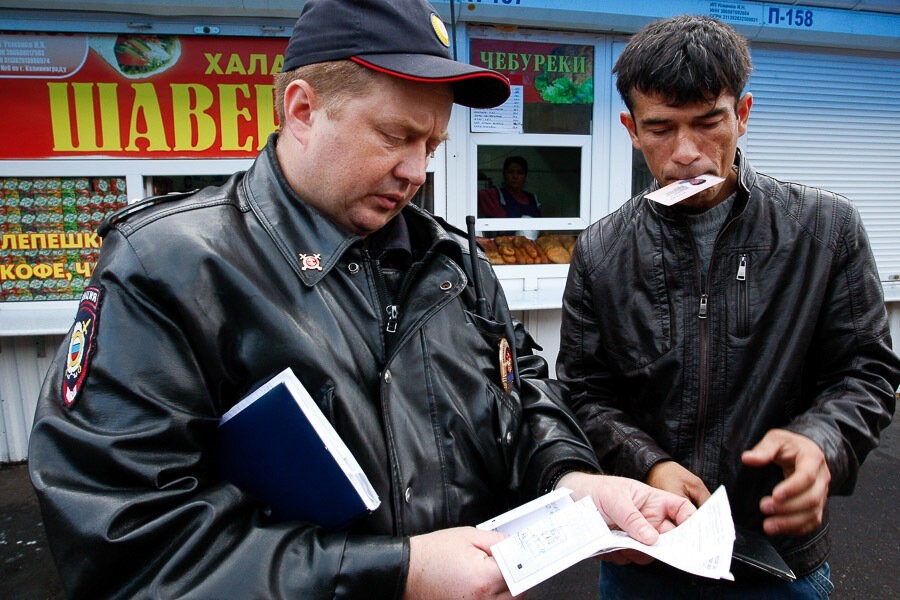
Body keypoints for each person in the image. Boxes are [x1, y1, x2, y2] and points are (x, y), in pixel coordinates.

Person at [28, 1, 696, 598]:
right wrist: (397, 574)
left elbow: (521, 396)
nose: (417, 171)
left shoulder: (455, 263)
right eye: (395, 136)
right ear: (301, 110)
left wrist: (572, 483)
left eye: (431, 144)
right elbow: (128, 546)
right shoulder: (170, 268)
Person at [557, 14, 900, 599]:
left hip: (779, 558)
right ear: (631, 129)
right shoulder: (600, 250)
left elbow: (865, 370)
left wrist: (822, 441)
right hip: (648, 551)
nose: (687, 153)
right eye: (660, 128)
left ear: (742, 114)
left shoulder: (825, 229)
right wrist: (648, 464)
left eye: (709, 122)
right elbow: (584, 391)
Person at [477, 155, 542, 219]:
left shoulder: (533, 199)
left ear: (525, 177)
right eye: (511, 172)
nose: (515, 176)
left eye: (520, 173)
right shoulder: (494, 195)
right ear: (504, 174)